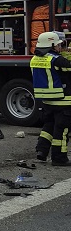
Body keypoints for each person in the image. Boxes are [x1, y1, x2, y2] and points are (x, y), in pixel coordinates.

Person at [30, 31, 71, 165]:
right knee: (62, 130)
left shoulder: (35, 59)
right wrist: (67, 54)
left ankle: (41, 151)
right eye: (59, 45)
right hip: (62, 100)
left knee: (48, 126)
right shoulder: (56, 59)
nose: (60, 47)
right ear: (52, 45)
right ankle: (59, 159)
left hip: (46, 100)